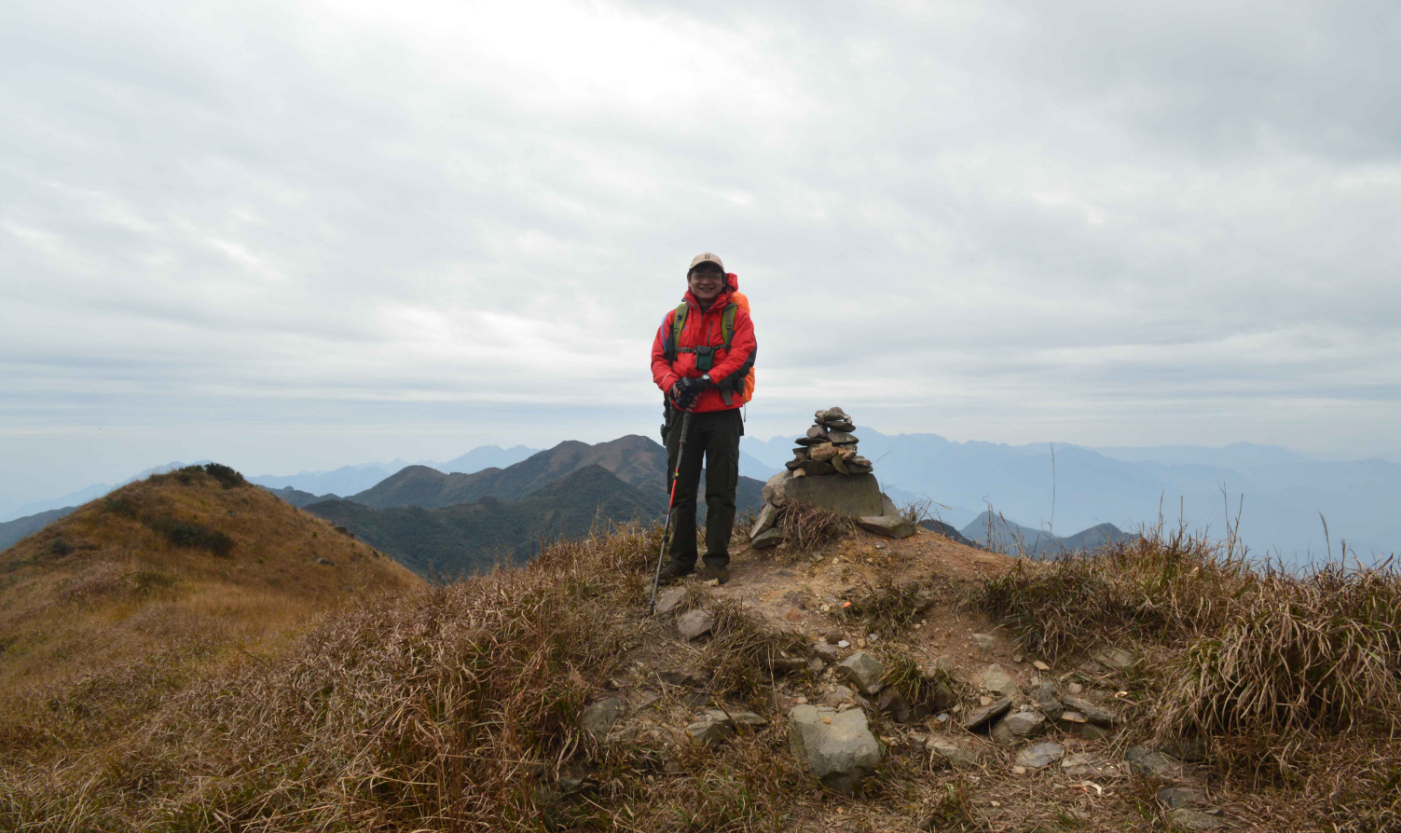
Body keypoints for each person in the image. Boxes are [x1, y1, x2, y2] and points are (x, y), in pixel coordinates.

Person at [650, 252, 757, 585]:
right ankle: (681, 560)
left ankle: (716, 562)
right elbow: (658, 360)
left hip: (722, 415)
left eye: (713, 274)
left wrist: (704, 381)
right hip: (683, 414)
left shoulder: (737, 318)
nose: (706, 280)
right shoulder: (674, 319)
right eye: (699, 274)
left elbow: (743, 355)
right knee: (679, 490)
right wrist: (673, 386)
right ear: (689, 280)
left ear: (724, 280)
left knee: (720, 490)